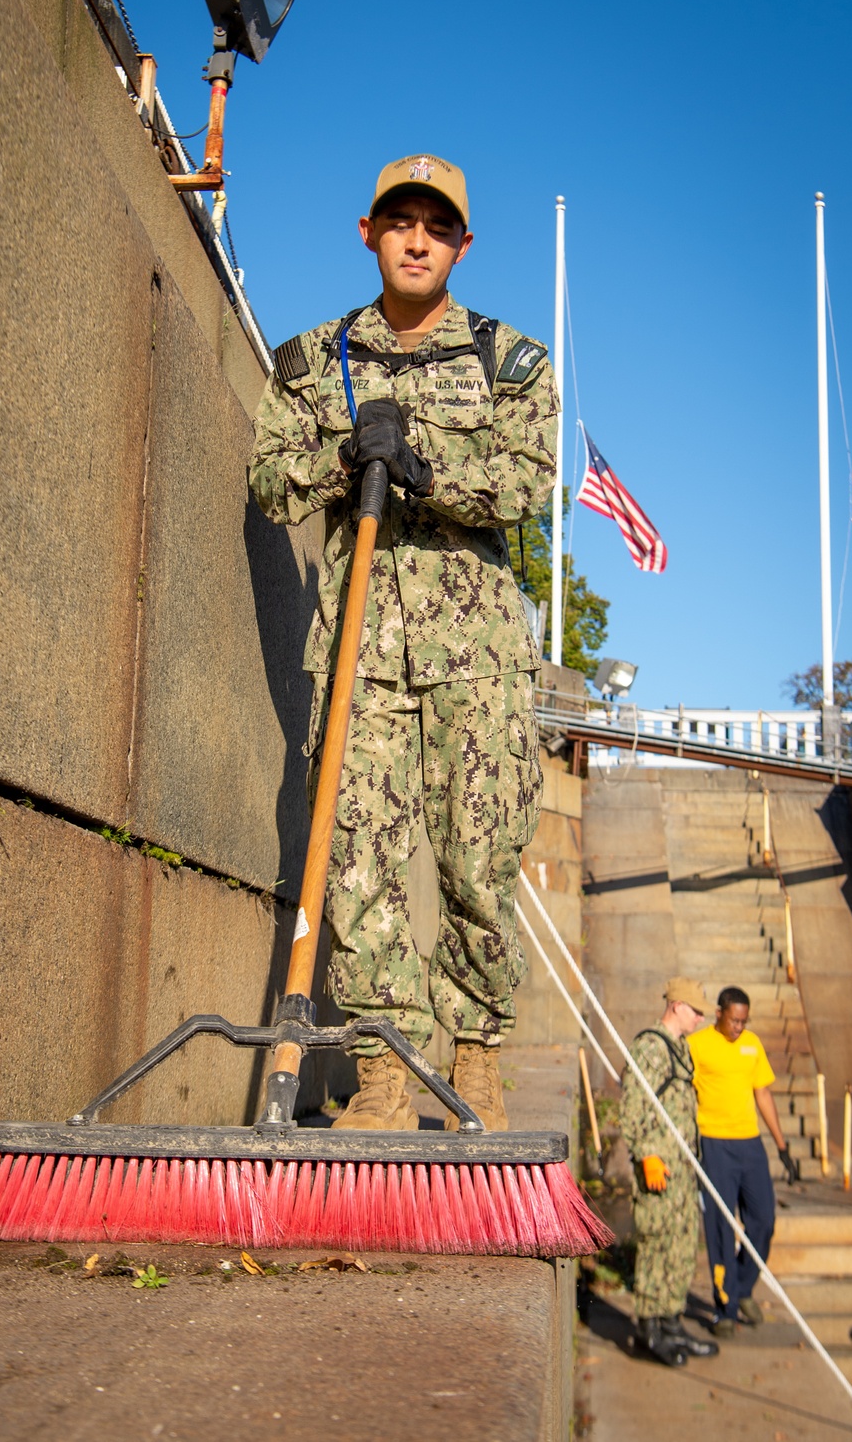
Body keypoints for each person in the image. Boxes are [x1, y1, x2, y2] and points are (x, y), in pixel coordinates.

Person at [249, 154, 557, 1132]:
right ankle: (383, 1069)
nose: (417, 238)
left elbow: (525, 482)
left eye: (437, 225)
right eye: (399, 221)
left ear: (462, 243)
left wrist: (425, 469)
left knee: (479, 854)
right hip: (360, 647)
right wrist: (343, 455)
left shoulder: (510, 361)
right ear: (367, 233)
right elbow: (270, 480)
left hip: (476, 650)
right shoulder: (312, 358)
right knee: (358, 856)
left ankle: (474, 1059)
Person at [619, 977, 719, 1366]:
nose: (699, 1018)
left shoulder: (681, 1049)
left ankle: (672, 1321)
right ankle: (650, 1328)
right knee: (656, 1244)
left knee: (680, 1247)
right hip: (659, 1167)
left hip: (683, 1168)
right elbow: (633, 1105)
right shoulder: (650, 1046)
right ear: (677, 1006)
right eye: (695, 1010)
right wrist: (647, 1154)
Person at [689, 985, 800, 1335]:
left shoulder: (752, 1045)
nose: (739, 1027)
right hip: (714, 1144)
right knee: (721, 1227)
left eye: (744, 1021)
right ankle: (726, 1307)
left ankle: (743, 1287)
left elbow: (762, 1093)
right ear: (719, 1013)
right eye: (734, 1020)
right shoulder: (697, 1045)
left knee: (763, 1220)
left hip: (750, 1145)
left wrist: (782, 1147)